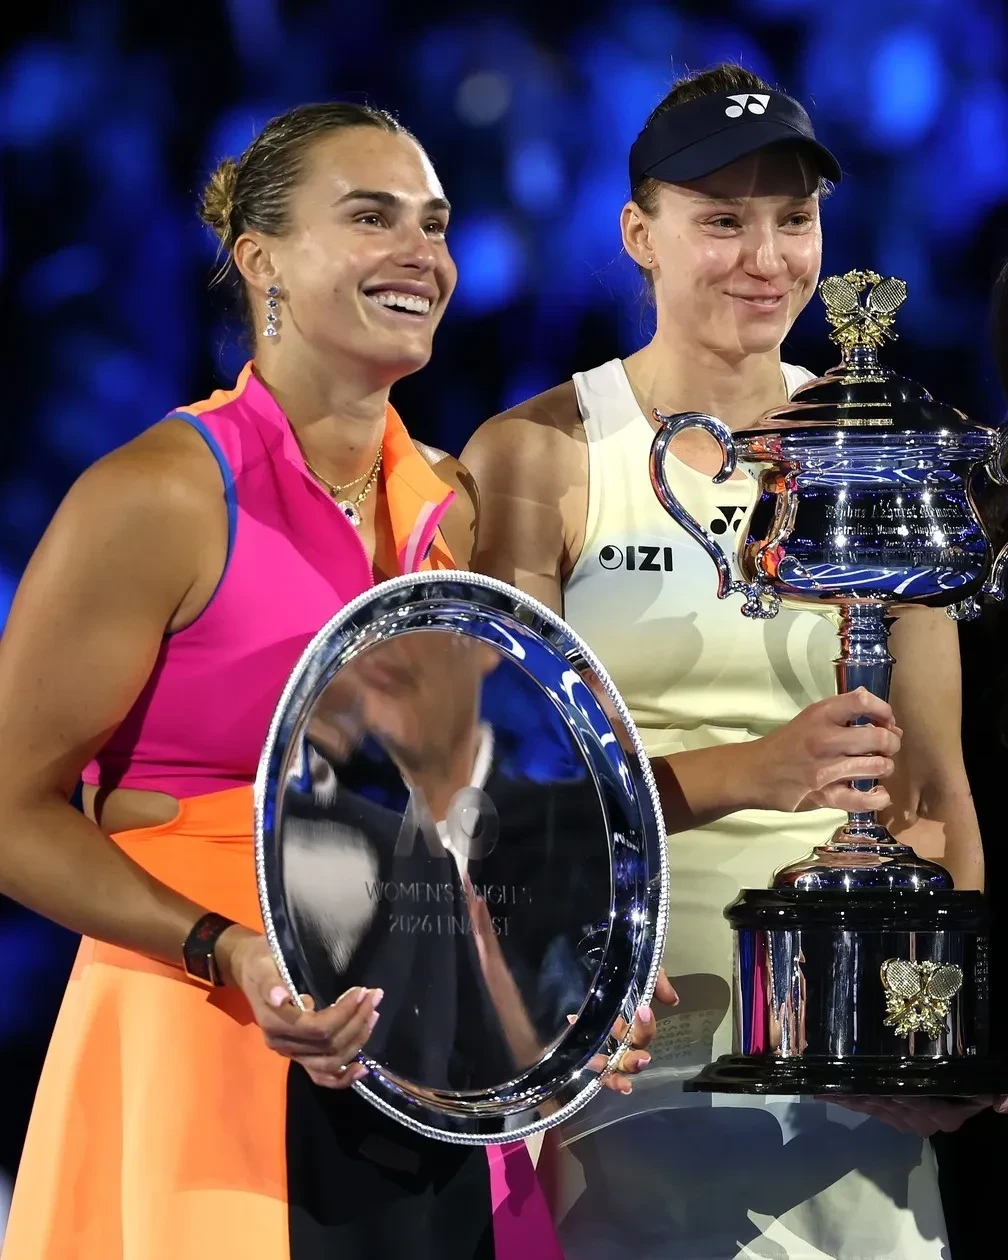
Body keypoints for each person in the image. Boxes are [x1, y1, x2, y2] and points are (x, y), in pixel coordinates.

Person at [0, 100, 630, 1260]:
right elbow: (10, 814)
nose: (421, 252)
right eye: (372, 218)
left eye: (434, 223)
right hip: (202, 1038)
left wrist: (567, 1002)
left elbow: (469, 822)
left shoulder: (450, 513)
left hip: (426, 1063)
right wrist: (223, 946)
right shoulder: (159, 497)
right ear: (263, 261)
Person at [463, 63, 985, 1260]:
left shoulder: (881, 452)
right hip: (628, 1062)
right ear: (638, 235)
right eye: (722, 220)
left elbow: (935, 792)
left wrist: (940, 1035)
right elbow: (504, 802)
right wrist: (756, 767)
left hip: (847, 1076)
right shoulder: (542, 454)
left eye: (793, 219)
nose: (765, 257)